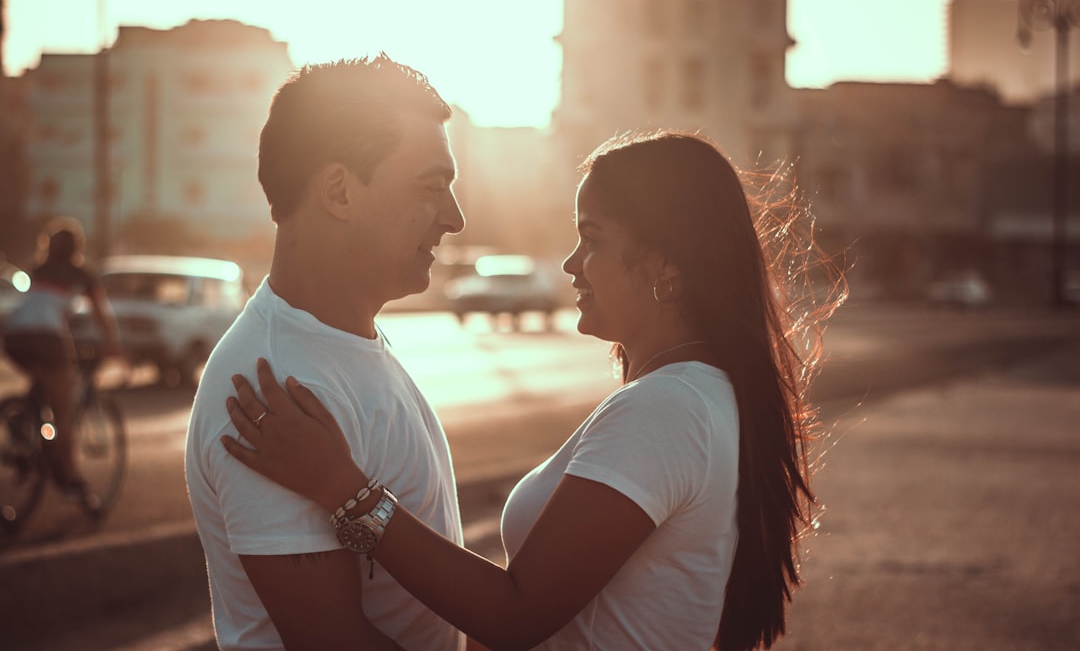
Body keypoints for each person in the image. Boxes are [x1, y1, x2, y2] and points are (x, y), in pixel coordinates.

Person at [223, 130, 843, 651]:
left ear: (667, 270)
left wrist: (345, 491)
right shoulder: (695, 396)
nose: (571, 264)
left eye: (593, 239)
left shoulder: (670, 407)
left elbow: (515, 616)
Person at [184, 55, 470, 651]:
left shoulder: (344, 340)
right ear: (339, 190)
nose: (454, 218)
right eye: (431, 186)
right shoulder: (272, 381)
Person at [2, 217, 123, 495]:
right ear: (77, 248)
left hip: (15, 334)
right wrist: (114, 344)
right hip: (47, 337)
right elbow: (101, 314)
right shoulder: (81, 273)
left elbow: (45, 306)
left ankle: (22, 423)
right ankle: (69, 476)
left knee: (43, 382)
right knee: (64, 409)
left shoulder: (39, 269)